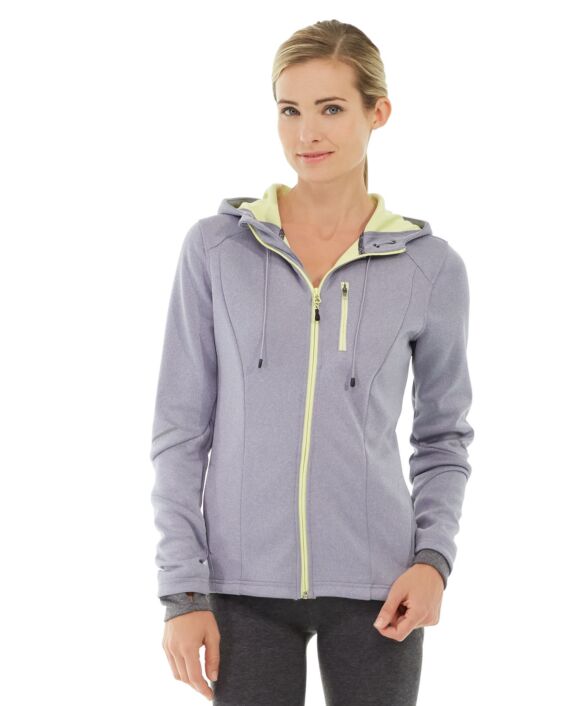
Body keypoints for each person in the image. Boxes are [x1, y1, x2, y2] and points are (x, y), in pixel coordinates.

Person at [149, 19, 474, 706]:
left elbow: (442, 437)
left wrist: (433, 561)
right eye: (289, 110)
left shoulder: (429, 268)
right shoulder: (216, 251)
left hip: (380, 587)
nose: (306, 134)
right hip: (241, 588)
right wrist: (183, 591)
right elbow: (180, 430)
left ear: (377, 113)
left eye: (330, 108)